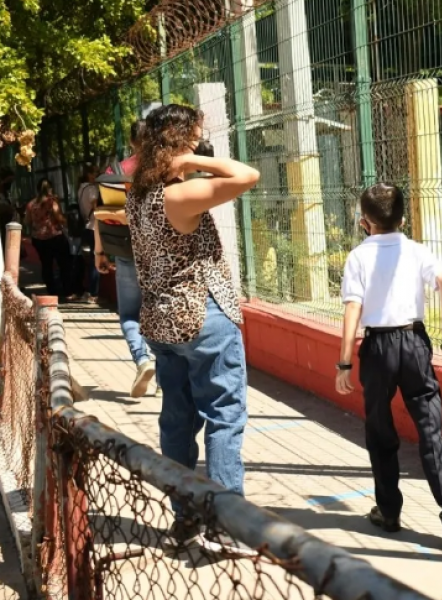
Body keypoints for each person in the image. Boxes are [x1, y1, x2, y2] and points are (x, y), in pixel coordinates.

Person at [127, 104, 259, 549]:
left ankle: (185, 516)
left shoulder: (138, 194)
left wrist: (181, 160)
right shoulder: (178, 195)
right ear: (179, 143)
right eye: (196, 139)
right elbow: (246, 175)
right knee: (224, 416)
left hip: (161, 322)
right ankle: (225, 519)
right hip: (204, 319)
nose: (202, 146)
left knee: (178, 421)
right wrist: (193, 162)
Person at [335, 183, 442, 545]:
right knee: (430, 431)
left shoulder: (358, 256)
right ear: (403, 218)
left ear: (364, 221)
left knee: (380, 431)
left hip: (377, 348)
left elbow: (353, 308)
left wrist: (344, 363)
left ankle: (388, 512)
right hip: (414, 343)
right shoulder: (417, 250)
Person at [95, 120, 156, 398]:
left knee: (130, 313)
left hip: (126, 250)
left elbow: (101, 212)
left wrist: (100, 251)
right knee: (158, 312)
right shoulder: (165, 169)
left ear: (131, 142)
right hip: (159, 251)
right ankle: (163, 374)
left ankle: (142, 360)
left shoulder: (116, 171)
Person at [24, 179, 71, 298]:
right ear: (50, 188)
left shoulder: (31, 204)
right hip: (55, 237)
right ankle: (67, 290)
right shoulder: (52, 202)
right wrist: (65, 221)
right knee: (63, 263)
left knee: (46, 265)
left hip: (38, 239)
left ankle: (52, 291)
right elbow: (58, 216)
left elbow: (27, 221)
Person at [77, 163, 101, 302]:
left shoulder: (81, 188)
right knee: (95, 259)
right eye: (95, 173)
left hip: (86, 226)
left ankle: (89, 291)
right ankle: (93, 293)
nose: (97, 176)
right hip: (93, 226)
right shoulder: (91, 189)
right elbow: (95, 206)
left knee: (90, 259)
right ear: (89, 174)